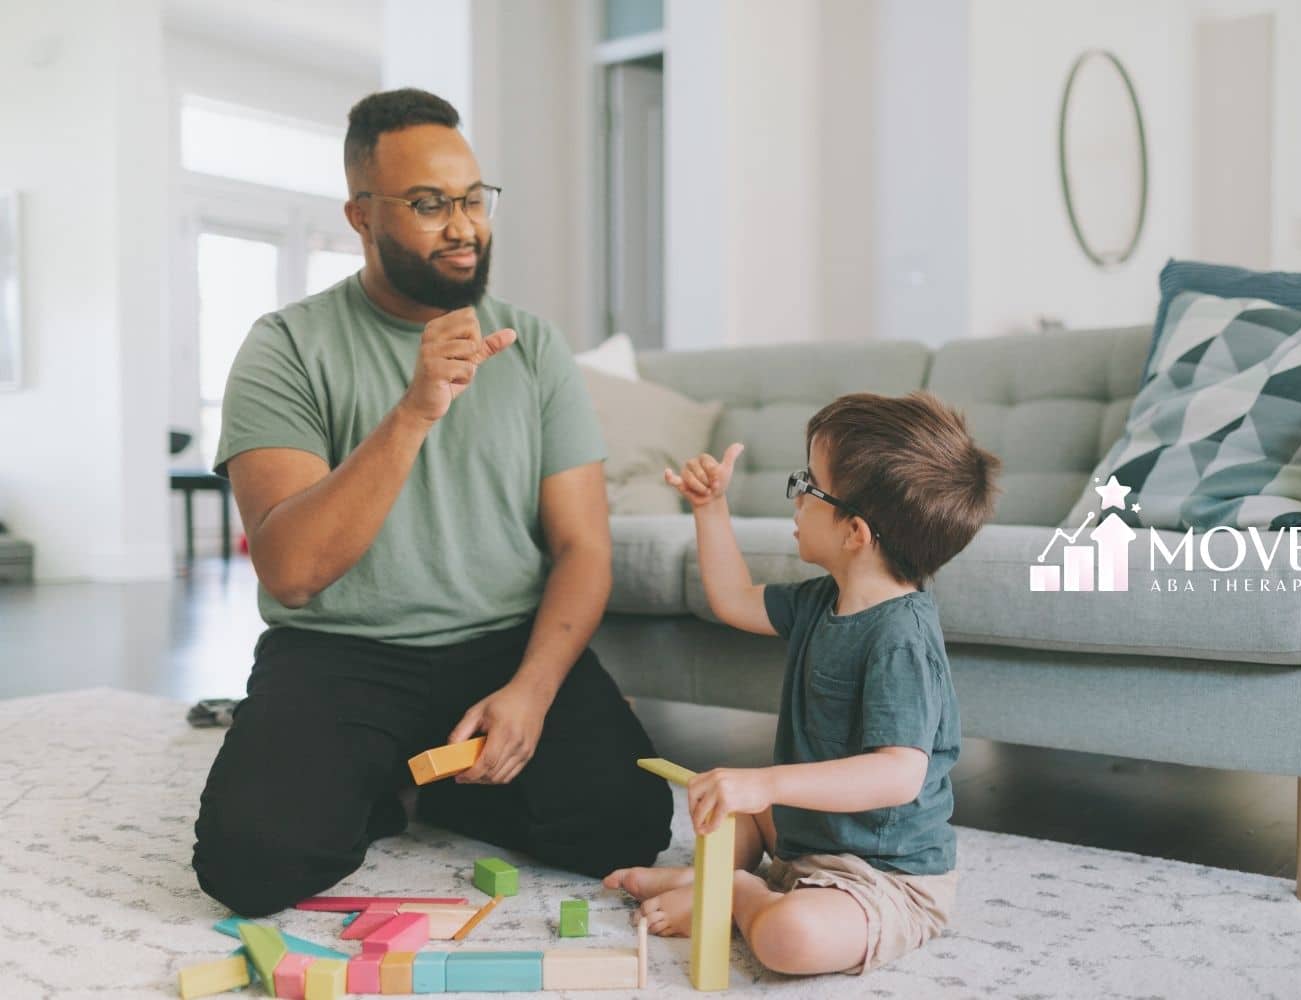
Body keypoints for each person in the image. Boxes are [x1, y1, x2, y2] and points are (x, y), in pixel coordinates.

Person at [191, 88, 671, 917]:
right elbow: (293, 571)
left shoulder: (535, 346)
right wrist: (413, 411)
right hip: (342, 652)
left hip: (501, 647)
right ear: (360, 216)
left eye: (473, 199)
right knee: (250, 865)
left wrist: (533, 690)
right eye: (427, 204)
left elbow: (584, 546)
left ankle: (421, 782)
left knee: (626, 825)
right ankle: (381, 777)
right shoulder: (286, 347)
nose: (463, 225)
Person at [605, 392, 1000, 976]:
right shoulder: (823, 600)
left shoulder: (901, 638)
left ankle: (735, 893)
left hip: (881, 875)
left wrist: (765, 781)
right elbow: (733, 600)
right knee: (727, 810)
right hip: (800, 836)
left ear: (855, 533)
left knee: (790, 939)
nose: (795, 497)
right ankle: (722, 878)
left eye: (808, 485)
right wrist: (710, 508)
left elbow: (898, 772)